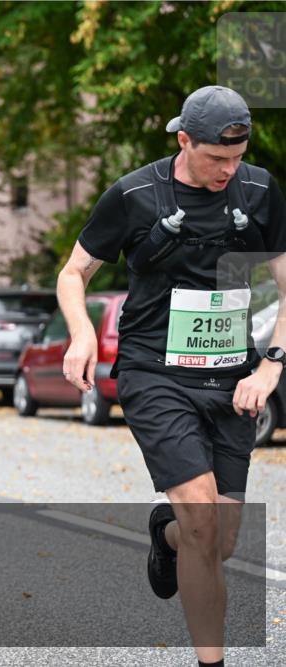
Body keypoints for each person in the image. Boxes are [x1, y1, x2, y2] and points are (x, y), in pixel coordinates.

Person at [56, 86, 286, 667]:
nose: (228, 171)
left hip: (233, 379)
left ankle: (166, 536)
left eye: (237, 158)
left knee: (219, 540)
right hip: (153, 373)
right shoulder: (135, 194)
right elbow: (74, 272)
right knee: (205, 524)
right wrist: (83, 333)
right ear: (184, 140)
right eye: (216, 159)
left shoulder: (258, 191)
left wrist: (269, 367)